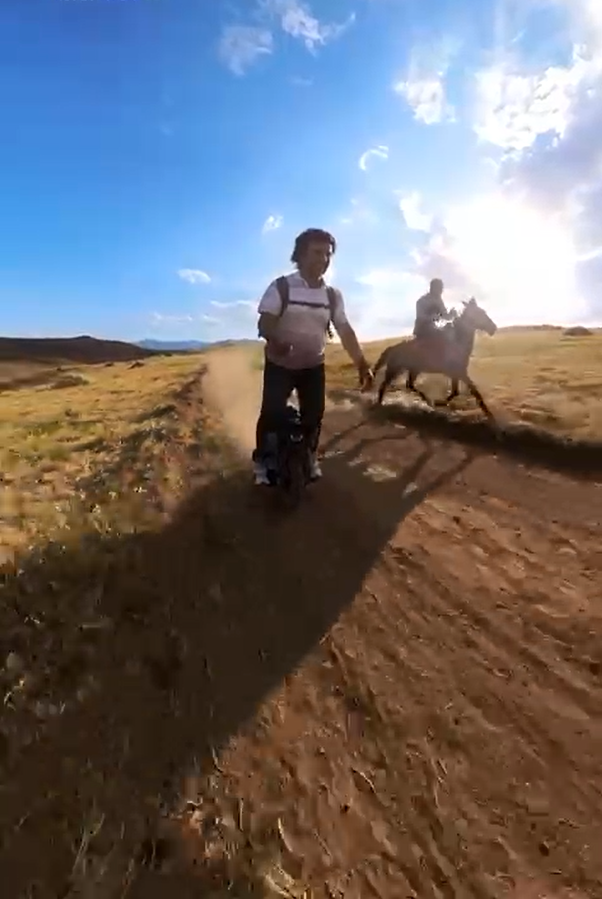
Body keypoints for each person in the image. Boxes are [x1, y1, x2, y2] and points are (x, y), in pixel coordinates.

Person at [253, 227, 373, 486]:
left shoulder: (332, 295)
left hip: (312, 365)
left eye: (328, 254)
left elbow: (345, 330)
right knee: (271, 412)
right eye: (317, 253)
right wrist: (275, 341)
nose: (324, 259)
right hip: (280, 364)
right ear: (300, 255)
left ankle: (309, 455)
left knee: (314, 415)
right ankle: (262, 461)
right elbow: (265, 322)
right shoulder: (282, 286)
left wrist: (362, 364)